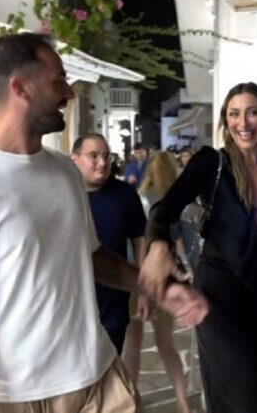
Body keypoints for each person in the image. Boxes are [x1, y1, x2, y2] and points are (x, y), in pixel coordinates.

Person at [0, 33, 207, 413]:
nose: (68, 92)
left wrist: (156, 288)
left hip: (99, 377)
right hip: (13, 397)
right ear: (20, 88)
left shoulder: (64, 171)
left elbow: (90, 257)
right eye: (58, 80)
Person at [140, 82, 257, 413]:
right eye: (234, 114)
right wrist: (158, 246)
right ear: (226, 121)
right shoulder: (212, 163)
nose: (243, 123)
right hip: (217, 296)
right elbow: (164, 209)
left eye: (252, 112)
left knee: (242, 394)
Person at [122, 150, 190, 413]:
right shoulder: (175, 202)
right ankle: (183, 402)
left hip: (138, 275)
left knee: (133, 345)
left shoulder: (140, 197)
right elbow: (181, 242)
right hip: (166, 277)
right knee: (166, 345)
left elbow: (136, 241)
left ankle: (132, 401)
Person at [71, 133, 146, 355]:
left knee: (111, 365)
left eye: (106, 156)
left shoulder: (125, 195)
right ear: (75, 158)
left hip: (113, 301)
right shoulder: (62, 193)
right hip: (72, 304)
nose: (102, 163)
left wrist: (142, 288)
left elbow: (140, 240)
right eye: (93, 156)